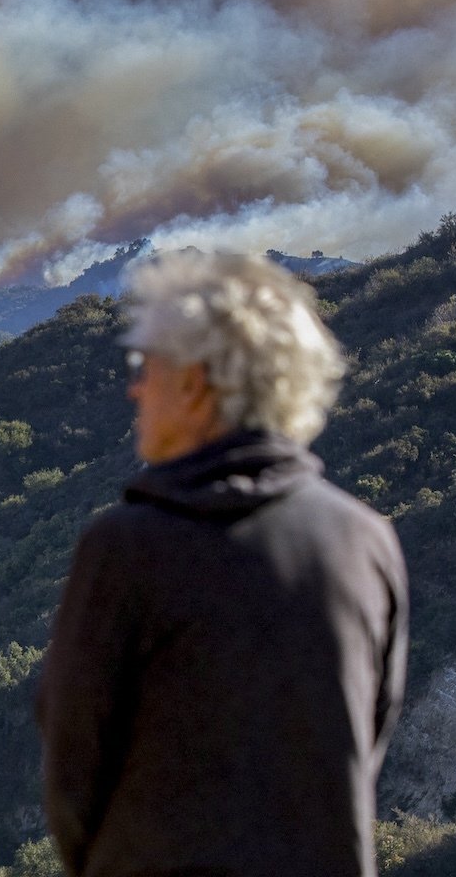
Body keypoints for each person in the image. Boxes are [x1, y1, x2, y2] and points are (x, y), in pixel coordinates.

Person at [38, 250, 408, 877]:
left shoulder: (127, 547)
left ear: (194, 381)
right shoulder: (367, 541)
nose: (134, 387)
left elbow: (72, 770)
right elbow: (366, 740)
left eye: (143, 365)